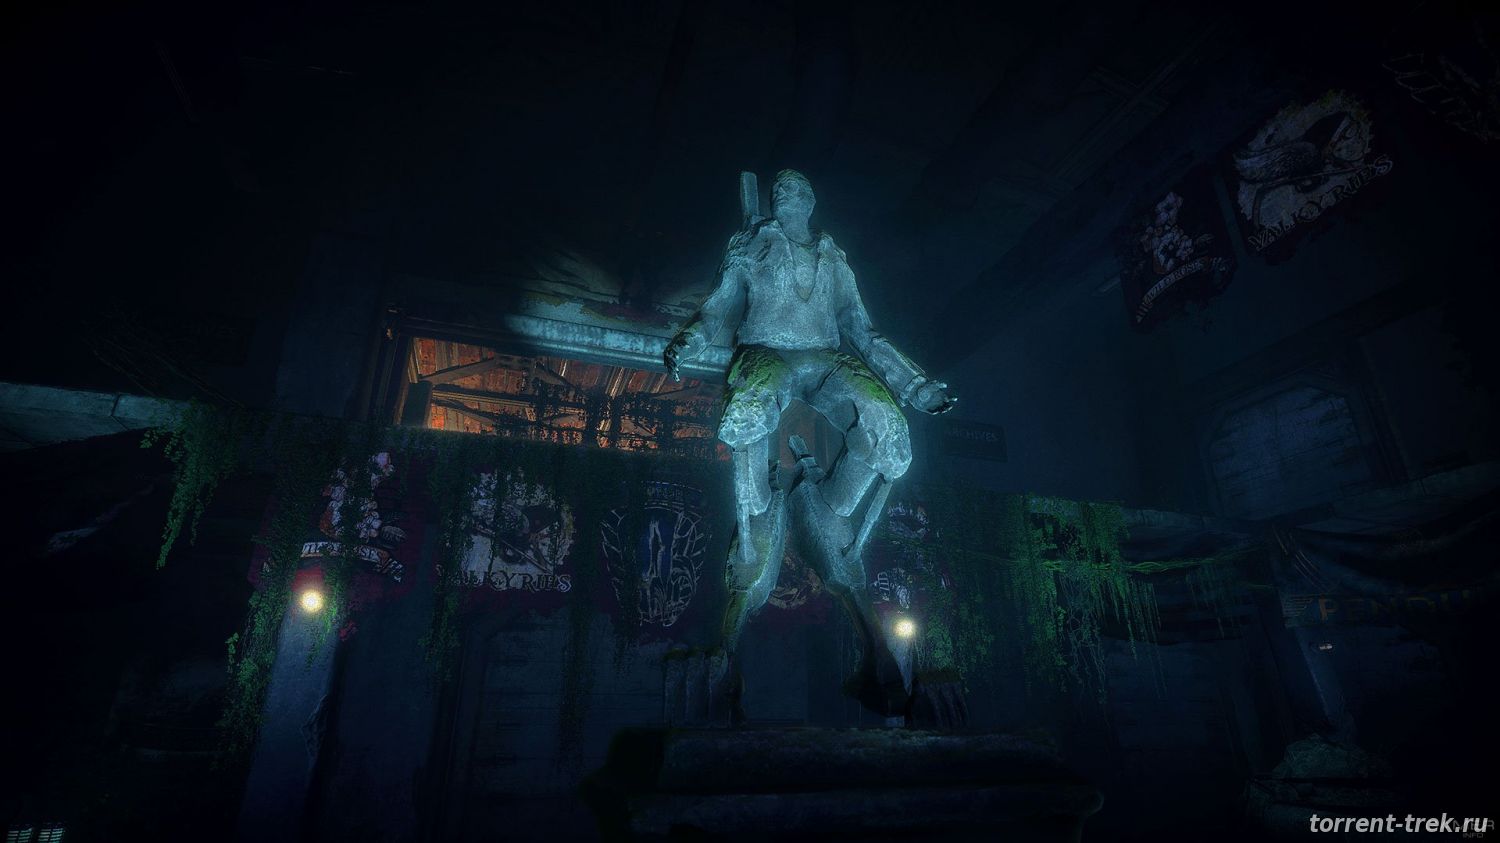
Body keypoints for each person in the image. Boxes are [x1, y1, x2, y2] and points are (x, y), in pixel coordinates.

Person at [664, 169, 955, 722]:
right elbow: (719, 308)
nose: (786, 194)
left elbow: (863, 331)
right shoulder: (750, 243)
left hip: (826, 359)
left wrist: (916, 386)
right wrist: (688, 340)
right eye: (780, 190)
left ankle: (839, 515)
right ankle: (754, 527)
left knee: (889, 432)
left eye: (797, 190)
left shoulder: (833, 257)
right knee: (750, 410)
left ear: (813, 200)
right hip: (765, 351)